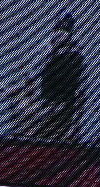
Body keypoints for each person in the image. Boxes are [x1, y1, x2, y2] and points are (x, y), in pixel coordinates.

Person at [35, 11, 85, 141]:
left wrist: (76, 125)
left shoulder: (75, 55)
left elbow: (80, 91)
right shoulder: (47, 50)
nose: (59, 35)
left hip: (62, 107)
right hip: (47, 104)